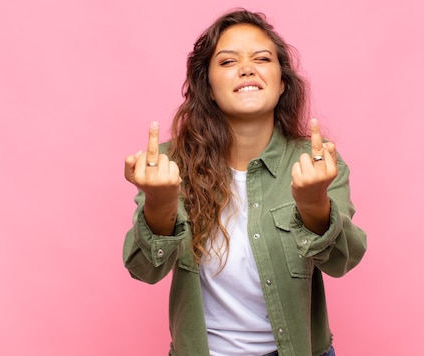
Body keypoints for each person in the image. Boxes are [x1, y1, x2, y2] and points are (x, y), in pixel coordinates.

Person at [123, 9, 367, 356]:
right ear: (206, 86)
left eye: (262, 58)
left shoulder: (318, 162)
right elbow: (144, 269)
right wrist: (159, 205)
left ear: (282, 82)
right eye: (227, 62)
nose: (247, 68)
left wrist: (314, 205)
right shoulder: (167, 164)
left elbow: (343, 261)